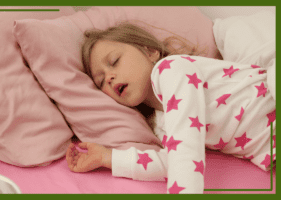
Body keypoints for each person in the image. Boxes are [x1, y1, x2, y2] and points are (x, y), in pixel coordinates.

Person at [66, 22, 276, 194]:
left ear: (150, 52)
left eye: (114, 61)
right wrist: (107, 157)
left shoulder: (171, 69)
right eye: (101, 82)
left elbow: (186, 150)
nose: (109, 78)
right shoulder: (161, 122)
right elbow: (175, 161)